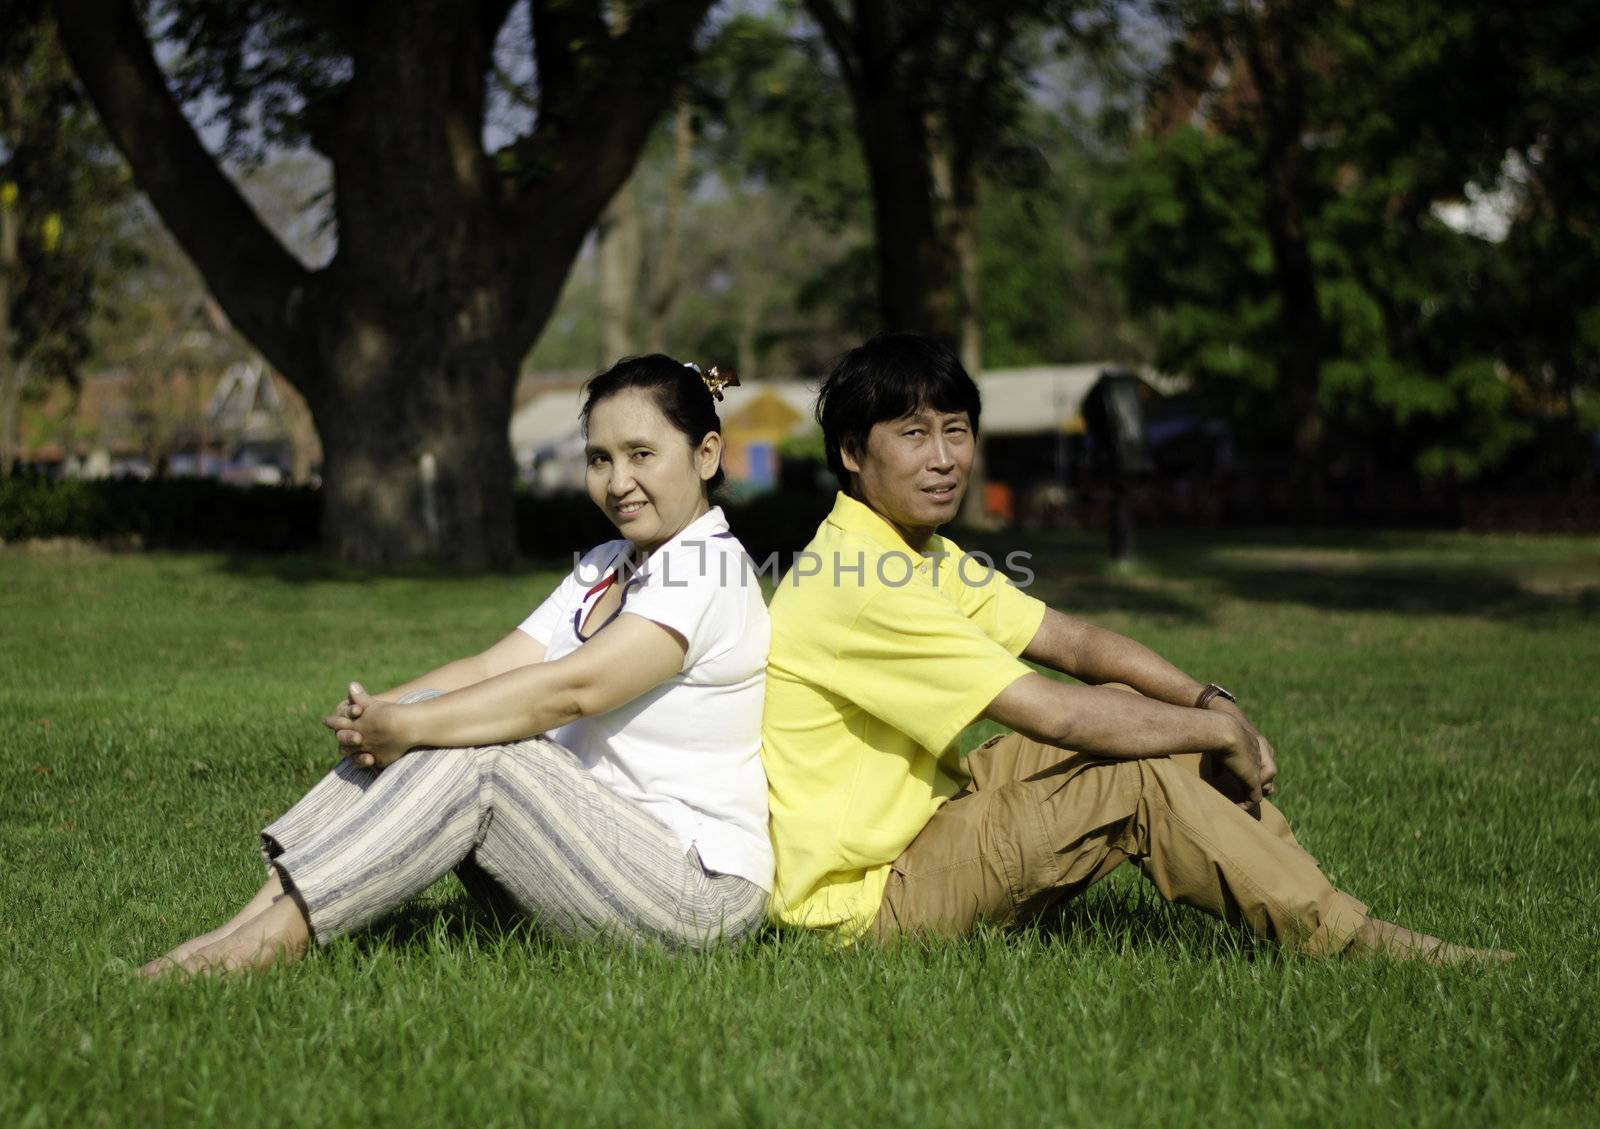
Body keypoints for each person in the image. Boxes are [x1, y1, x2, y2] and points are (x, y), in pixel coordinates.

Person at [759, 332, 1510, 963]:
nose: (944, 457)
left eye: (956, 430)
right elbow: (1056, 715)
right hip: (866, 904)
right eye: (914, 434)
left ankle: (1304, 891)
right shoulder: (857, 580)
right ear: (854, 454)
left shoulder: (913, 550)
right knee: (1132, 775)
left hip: (928, 823)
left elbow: (1072, 641)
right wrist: (1219, 731)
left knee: (1136, 708)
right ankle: (1347, 938)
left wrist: (1207, 701)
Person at [143, 356, 771, 976]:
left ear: (706, 455)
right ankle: (240, 928)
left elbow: (573, 690)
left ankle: (275, 940)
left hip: (694, 895)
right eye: (599, 458)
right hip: (584, 859)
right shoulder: (609, 559)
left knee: (486, 750)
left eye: (642, 454)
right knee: (437, 715)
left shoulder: (708, 569)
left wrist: (414, 727)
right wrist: (383, 712)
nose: (616, 481)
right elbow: (491, 666)